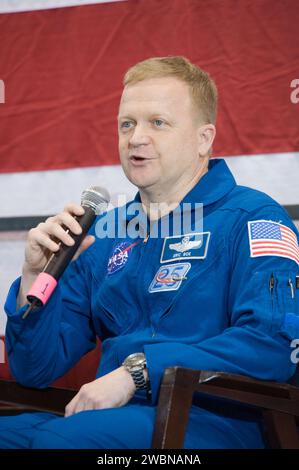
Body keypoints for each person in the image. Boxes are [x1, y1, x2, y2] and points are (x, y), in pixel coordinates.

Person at [1, 56, 299, 449]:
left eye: (158, 122)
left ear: (203, 139)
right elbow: (35, 369)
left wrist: (138, 372)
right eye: (127, 124)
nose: (136, 138)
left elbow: (275, 343)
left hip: (216, 421)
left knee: (64, 442)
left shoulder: (254, 218)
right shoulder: (104, 232)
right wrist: (31, 278)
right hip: (107, 421)